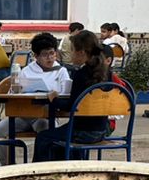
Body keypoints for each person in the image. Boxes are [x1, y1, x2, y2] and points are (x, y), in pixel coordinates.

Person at [33, 30, 113, 162]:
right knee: (59, 137)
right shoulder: (107, 73)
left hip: (81, 132)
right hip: (101, 131)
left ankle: (40, 171)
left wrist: (53, 99)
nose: (71, 54)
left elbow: (72, 106)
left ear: (81, 53)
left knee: (43, 137)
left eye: (72, 50)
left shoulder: (81, 74)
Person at [0, 31, 69, 143]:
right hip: (23, 115)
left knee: (46, 129)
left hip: (45, 116)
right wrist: (17, 89)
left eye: (52, 53)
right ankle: (7, 156)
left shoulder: (61, 71)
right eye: (45, 55)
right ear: (36, 56)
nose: (50, 58)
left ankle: (42, 154)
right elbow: (13, 94)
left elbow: (66, 94)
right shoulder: (26, 71)